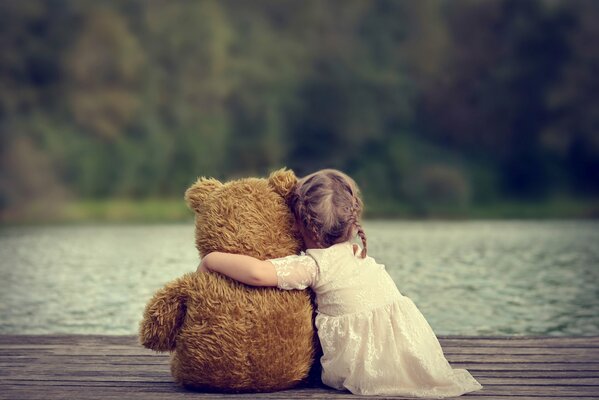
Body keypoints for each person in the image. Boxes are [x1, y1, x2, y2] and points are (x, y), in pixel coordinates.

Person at [197, 169, 483, 397]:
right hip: (407, 346)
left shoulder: (314, 265)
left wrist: (212, 259)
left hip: (363, 363)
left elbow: (258, 273)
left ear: (301, 223)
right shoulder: (357, 252)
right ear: (350, 222)